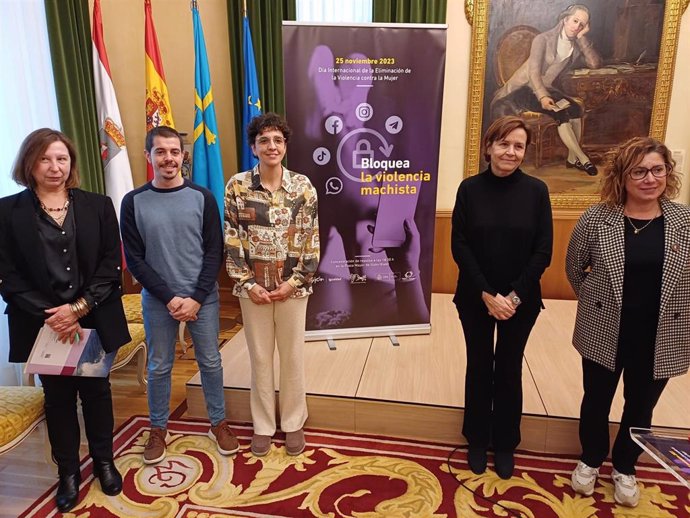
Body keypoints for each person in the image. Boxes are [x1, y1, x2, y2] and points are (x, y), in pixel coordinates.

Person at [0, 129, 131, 512]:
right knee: (57, 399)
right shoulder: (7, 212)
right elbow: (7, 274)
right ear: (29, 163)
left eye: (61, 159)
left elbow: (110, 265)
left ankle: (104, 463)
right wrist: (55, 315)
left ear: (71, 163)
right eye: (45, 159)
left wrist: (77, 309)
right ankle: (69, 473)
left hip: (92, 317)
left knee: (97, 393)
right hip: (42, 324)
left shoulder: (98, 205)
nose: (54, 167)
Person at [566, 137, 690, 507]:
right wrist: (596, 301)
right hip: (606, 328)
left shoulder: (684, 221)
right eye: (639, 171)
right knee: (596, 400)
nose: (649, 178)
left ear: (668, 173)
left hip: (661, 333)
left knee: (641, 406)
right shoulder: (596, 218)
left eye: (657, 170)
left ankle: (625, 467)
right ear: (622, 176)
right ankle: (590, 460)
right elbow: (575, 269)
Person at [120, 126, 238, 464]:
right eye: (161, 151)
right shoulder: (133, 202)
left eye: (174, 151)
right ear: (149, 156)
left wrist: (197, 297)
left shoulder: (202, 197)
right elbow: (135, 259)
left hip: (203, 297)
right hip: (159, 301)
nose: (168, 158)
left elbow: (214, 251)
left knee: (211, 361)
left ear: (182, 156)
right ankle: (158, 428)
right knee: (159, 366)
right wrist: (170, 298)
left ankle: (218, 423)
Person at [451, 116, 553, 479]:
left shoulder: (537, 191)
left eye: (518, 146)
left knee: (509, 369)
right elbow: (459, 245)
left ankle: (506, 442)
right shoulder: (469, 189)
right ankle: (477, 438)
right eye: (504, 143)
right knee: (479, 366)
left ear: (525, 152)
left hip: (520, 301)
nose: (511, 151)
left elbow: (543, 251)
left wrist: (512, 296)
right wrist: (487, 293)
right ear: (489, 147)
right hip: (475, 296)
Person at [225, 113, 319, 457]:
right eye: (264, 140)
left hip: (294, 290)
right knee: (261, 358)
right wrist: (248, 284)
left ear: (285, 146)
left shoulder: (303, 187)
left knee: (292, 357)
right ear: (254, 147)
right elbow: (232, 240)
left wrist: (294, 283)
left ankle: (293, 423)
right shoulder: (237, 186)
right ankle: (263, 425)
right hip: (254, 292)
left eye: (278, 140)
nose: (272, 146)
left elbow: (312, 241)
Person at [491, 4, 602, 175]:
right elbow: (534, 72)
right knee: (560, 112)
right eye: (574, 21)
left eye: (582, 24)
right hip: (523, 89)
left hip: (545, 88)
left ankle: (572, 159)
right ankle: (583, 159)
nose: (577, 26)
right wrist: (542, 97)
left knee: (575, 109)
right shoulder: (542, 39)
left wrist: (581, 37)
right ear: (565, 19)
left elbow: (594, 63)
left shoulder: (576, 43)